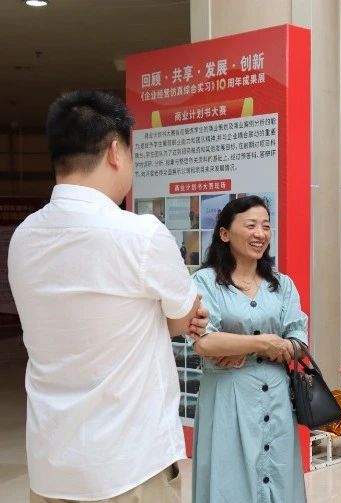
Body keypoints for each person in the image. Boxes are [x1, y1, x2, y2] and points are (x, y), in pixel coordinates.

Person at [8, 90, 208, 503]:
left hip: (51, 465)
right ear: (116, 151)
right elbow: (183, 318)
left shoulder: (24, 237)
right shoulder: (140, 234)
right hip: (129, 465)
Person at [186, 195, 308, 503]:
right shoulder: (204, 282)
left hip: (276, 400)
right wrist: (264, 342)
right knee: (229, 483)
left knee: (278, 482)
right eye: (251, 225)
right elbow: (205, 342)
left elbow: (298, 341)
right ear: (225, 234)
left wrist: (241, 346)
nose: (261, 234)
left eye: (266, 226)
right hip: (227, 398)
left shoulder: (282, 284)